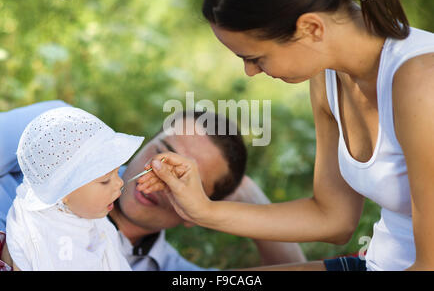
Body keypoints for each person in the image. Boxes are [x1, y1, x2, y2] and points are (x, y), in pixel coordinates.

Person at [137, 0, 434, 271]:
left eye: (255, 57)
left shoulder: (421, 82)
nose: (250, 72)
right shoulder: (328, 73)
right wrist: (204, 211)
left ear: (311, 27)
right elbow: (333, 218)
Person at [0, 101, 306, 270]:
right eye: (161, 154)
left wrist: (251, 199)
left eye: (185, 179)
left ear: (195, 212)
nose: (159, 175)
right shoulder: (61, 132)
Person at [5, 106, 144, 270]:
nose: (120, 183)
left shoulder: (91, 219)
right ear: (63, 192)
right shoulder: (37, 237)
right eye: (105, 180)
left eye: (116, 171)